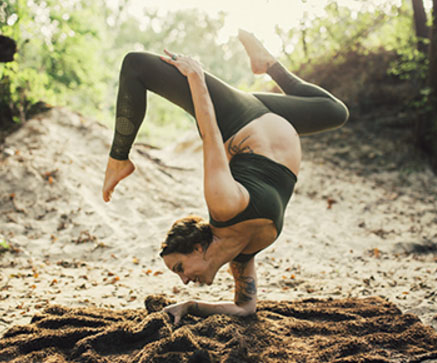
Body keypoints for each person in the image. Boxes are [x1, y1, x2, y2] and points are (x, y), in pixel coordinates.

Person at [102, 30, 349, 324]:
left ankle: (118, 159)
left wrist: (197, 77)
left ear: (197, 248)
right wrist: (190, 305)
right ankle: (267, 64)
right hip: (273, 118)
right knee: (335, 111)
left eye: (180, 267)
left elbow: (211, 133)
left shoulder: (224, 206)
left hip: (237, 119)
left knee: (136, 65)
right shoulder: (243, 254)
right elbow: (246, 308)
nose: (183, 281)